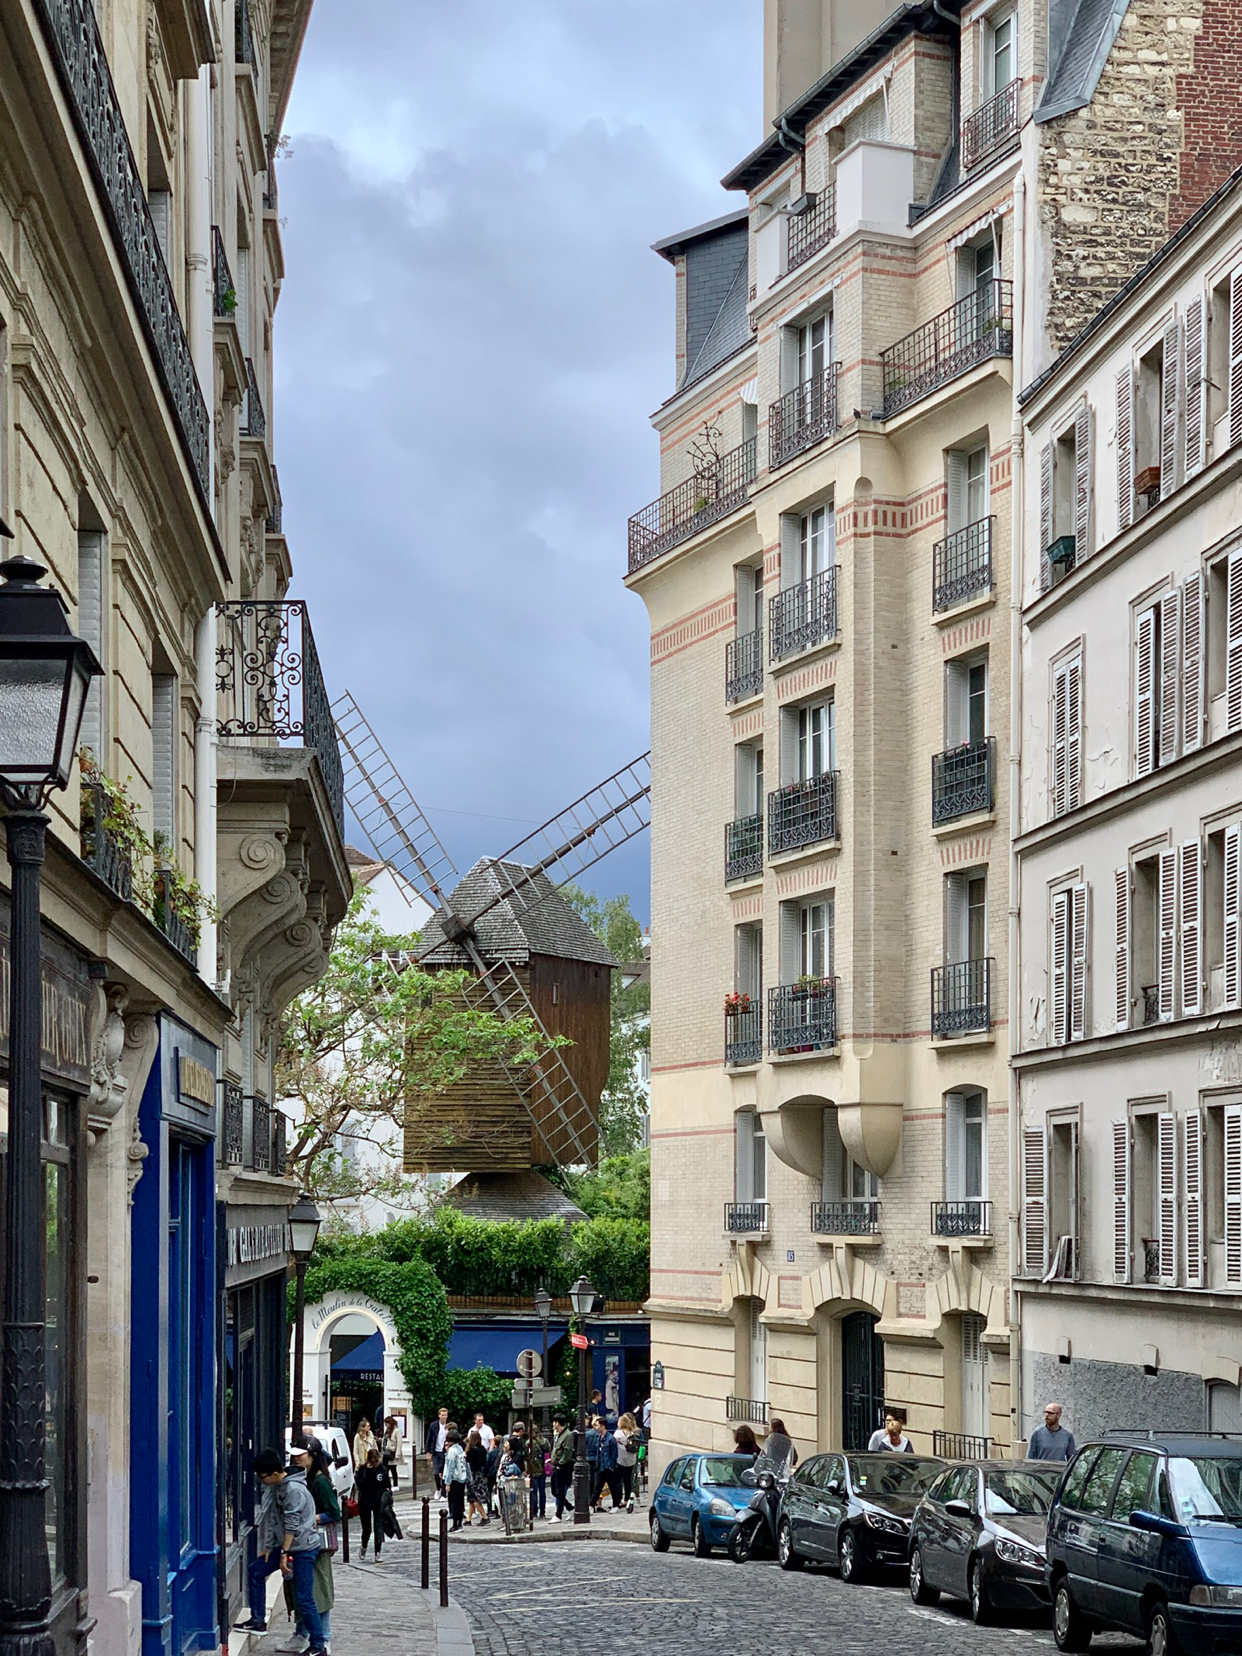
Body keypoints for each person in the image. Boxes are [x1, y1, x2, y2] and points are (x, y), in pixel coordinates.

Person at [235, 1449, 326, 1655]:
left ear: (275, 1473)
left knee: (304, 1597)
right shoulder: (279, 1487)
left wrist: (284, 1553)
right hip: (286, 1546)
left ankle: (318, 1645)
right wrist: (269, 1547)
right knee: (256, 1570)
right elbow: (275, 1519)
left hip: (302, 1548)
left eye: (263, 1477)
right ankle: (258, 1621)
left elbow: (292, 1524)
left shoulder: (293, 1489)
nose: (262, 1481)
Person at [278, 1442, 338, 1654]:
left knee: (318, 1593)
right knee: (304, 1593)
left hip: (315, 1544)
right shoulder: (302, 1479)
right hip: (306, 1541)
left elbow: (334, 1512)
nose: (296, 1459)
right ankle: (303, 1634)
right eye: (294, 1456)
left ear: (312, 1456)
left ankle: (322, 1639)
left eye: (301, 1456)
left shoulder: (319, 1481)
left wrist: (311, 1518)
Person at [356, 1447, 391, 1562]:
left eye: (378, 1461)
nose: (376, 1464)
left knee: (378, 1528)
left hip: (378, 1502)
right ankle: (364, 1546)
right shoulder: (363, 1469)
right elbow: (360, 1484)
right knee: (367, 1529)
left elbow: (387, 1485)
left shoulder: (383, 1470)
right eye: (374, 1462)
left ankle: (378, 1552)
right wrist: (366, 1473)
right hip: (365, 1501)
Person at [549, 1411, 574, 1522]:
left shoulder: (567, 1435)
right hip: (556, 1465)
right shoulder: (558, 1435)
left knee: (559, 1489)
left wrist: (561, 1463)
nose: (553, 1425)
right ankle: (569, 1507)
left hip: (563, 1467)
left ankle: (558, 1514)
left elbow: (567, 1452)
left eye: (554, 1422)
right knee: (554, 1490)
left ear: (558, 1423)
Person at [443, 1429, 469, 1531]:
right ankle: (459, 1523)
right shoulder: (460, 1449)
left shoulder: (452, 1451)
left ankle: (455, 1524)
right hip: (461, 1478)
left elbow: (450, 1468)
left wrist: (447, 1483)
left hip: (454, 1479)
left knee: (454, 1502)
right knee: (460, 1501)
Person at [465, 1428, 490, 1526]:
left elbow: (468, 1461)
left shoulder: (471, 1450)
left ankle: (485, 1517)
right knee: (472, 1498)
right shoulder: (483, 1449)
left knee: (475, 1498)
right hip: (480, 1474)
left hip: (473, 1475)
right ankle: (468, 1519)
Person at [615, 1413, 640, 1512]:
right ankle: (627, 1499)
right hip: (631, 1460)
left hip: (620, 1459)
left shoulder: (618, 1434)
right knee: (628, 1480)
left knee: (618, 1481)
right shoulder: (632, 1433)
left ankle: (619, 1500)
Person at [596, 1415, 621, 1512]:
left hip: (608, 1467)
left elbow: (614, 1454)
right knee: (597, 1488)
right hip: (601, 1466)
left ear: (602, 1426)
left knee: (613, 1487)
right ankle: (591, 1505)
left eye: (598, 1425)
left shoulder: (611, 1439)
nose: (596, 1427)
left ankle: (615, 1505)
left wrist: (611, 1466)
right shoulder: (599, 1438)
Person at [426, 1406, 449, 1495]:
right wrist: (428, 1452)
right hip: (436, 1451)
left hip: (445, 1452)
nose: (444, 1417)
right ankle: (438, 1489)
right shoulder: (433, 1425)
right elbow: (429, 1439)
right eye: (442, 1415)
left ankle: (443, 1493)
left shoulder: (448, 1426)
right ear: (439, 1416)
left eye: (445, 1415)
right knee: (436, 1472)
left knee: (443, 1473)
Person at [529, 1423, 548, 1521]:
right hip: (543, 1469)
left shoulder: (529, 1443)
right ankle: (543, 1512)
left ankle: (534, 1512)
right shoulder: (545, 1441)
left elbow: (527, 1458)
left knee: (534, 1492)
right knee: (542, 1491)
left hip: (533, 1470)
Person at [380, 1415, 404, 1490]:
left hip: (392, 1453)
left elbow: (399, 1443)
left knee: (393, 1470)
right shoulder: (387, 1431)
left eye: (386, 1424)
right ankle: (388, 1485)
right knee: (385, 1470)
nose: (386, 1426)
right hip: (386, 1453)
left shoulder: (397, 1431)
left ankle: (395, 1485)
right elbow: (385, 1441)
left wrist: (397, 1455)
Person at [585, 1414, 603, 1506]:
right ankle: (595, 1501)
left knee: (590, 1480)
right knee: (597, 1481)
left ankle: (590, 1499)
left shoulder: (587, 1434)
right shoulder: (599, 1435)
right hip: (597, 1459)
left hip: (588, 1458)